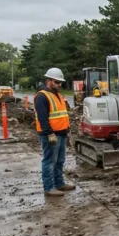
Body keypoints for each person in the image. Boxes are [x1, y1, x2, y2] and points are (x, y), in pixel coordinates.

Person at [34, 68, 75, 198]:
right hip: (50, 134)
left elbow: (62, 115)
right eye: (57, 82)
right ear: (49, 81)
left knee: (60, 161)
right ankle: (49, 188)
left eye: (60, 82)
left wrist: (67, 132)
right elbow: (43, 118)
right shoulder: (42, 96)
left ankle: (59, 183)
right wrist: (49, 133)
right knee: (49, 161)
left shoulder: (56, 94)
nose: (59, 85)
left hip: (61, 133)